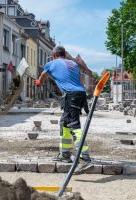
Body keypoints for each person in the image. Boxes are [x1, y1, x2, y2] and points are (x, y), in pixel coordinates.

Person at [34, 46, 93, 175]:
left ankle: (84, 158)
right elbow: (79, 80)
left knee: (73, 126)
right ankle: (65, 154)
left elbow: (43, 76)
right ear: (64, 55)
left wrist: (39, 82)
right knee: (64, 123)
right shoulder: (73, 64)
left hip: (71, 95)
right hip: (80, 94)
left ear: (54, 55)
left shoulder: (50, 63)